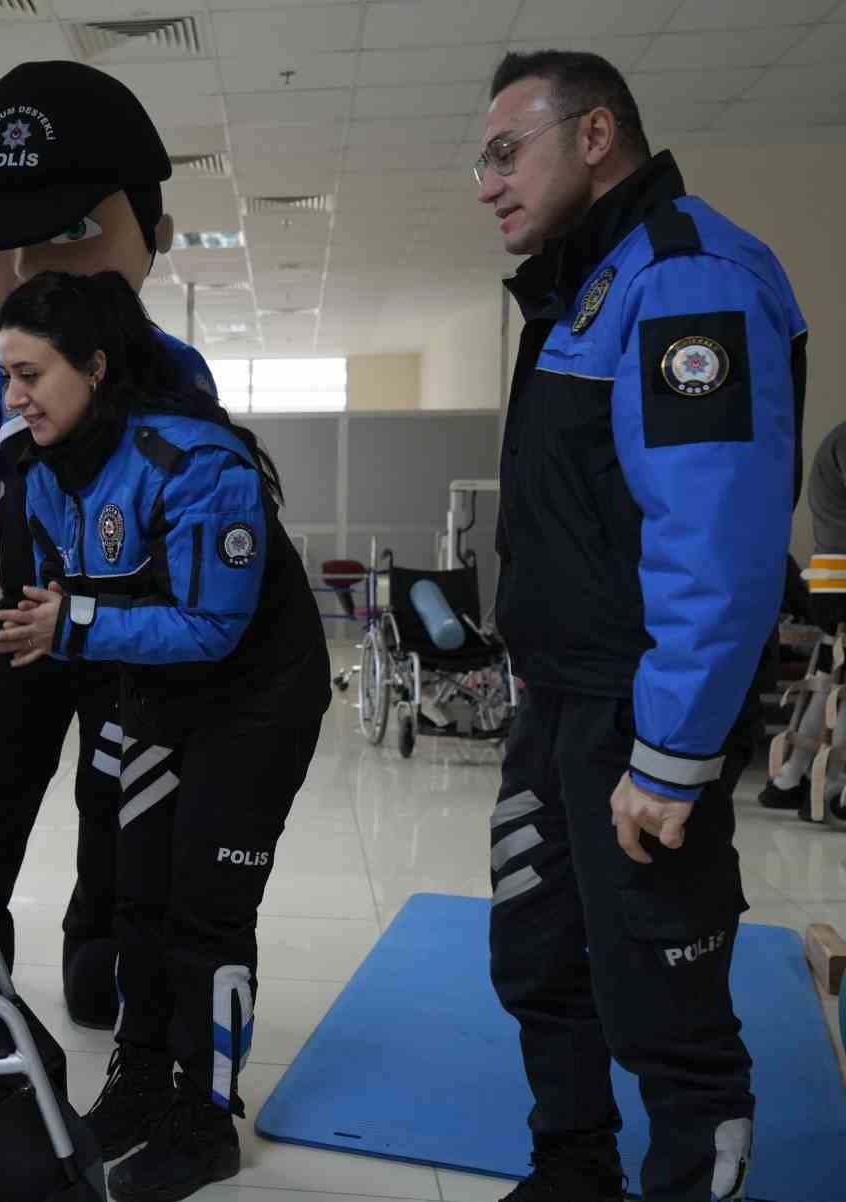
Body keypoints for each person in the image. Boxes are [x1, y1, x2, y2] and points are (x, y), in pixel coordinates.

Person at [477, 50, 805, 1202]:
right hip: (555, 701)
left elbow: (713, 539)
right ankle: (570, 1173)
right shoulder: (584, 288)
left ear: (597, 135)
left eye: (507, 149)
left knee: (662, 1009)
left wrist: (669, 755)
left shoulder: (684, 278)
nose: (487, 181)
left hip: (639, 712)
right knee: (537, 960)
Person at [0, 270, 329, 1202]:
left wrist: (74, 626)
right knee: (134, 893)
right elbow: (89, 596)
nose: (12, 396)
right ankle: (139, 1079)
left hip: (253, 701)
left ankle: (203, 1115)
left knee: (205, 913)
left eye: (30, 374)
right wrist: (65, 633)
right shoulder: (43, 467)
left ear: (94, 367)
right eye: (5, 376)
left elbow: (212, 627)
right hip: (155, 695)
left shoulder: (197, 464)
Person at [0, 60, 216, 1028]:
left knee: (109, 796)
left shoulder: (173, 374)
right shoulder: (0, 378)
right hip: (21, 631)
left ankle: (99, 947)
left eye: (71, 227)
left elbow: (208, 507)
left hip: (124, 638)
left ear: (151, 237)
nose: (37, 259)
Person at [761, 421, 846, 812]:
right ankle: (832, 784)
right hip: (839, 577)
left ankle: (792, 778)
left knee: (829, 681)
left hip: (831, 579)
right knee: (833, 684)